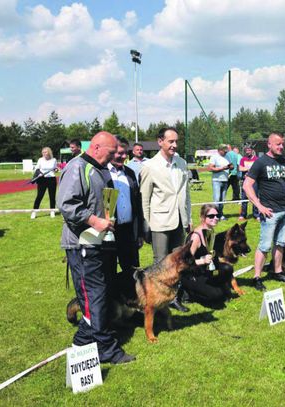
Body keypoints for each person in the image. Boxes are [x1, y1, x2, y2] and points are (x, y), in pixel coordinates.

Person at [57, 131, 135, 364]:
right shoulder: (77, 167)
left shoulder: (100, 170)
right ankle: (103, 347)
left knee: (100, 293)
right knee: (94, 296)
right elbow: (67, 205)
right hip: (82, 245)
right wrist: (94, 221)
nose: (113, 158)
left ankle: (86, 341)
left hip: (99, 244)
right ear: (97, 147)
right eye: (111, 153)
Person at [140, 127, 192, 312]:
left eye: (176, 141)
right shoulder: (149, 167)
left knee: (179, 262)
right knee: (161, 263)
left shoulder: (182, 163)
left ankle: (175, 298)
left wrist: (189, 218)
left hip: (180, 221)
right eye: (171, 141)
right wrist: (146, 224)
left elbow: (186, 194)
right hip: (159, 222)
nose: (174, 145)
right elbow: (144, 199)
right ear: (160, 141)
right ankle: (158, 302)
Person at [243, 132, 285, 291]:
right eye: (278, 144)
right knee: (265, 246)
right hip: (269, 213)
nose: (281, 147)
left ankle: (277, 271)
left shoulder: (284, 162)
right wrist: (259, 206)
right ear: (269, 144)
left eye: (282, 144)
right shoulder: (260, 163)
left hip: (284, 211)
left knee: (280, 243)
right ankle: (257, 277)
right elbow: (247, 185)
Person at [108, 137, 144, 281]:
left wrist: (139, 232)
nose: (124, 157)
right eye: (120, 153)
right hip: (109, 231)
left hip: (129, 232)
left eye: (126, 153)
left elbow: (137, 204)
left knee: (132, 271)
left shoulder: (129, 173)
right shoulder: (100, 172)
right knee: (109, 270)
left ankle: (132, 300)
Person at [181, 204, 228, 304]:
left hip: (205, 271)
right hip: (192, 274)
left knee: (227, 270)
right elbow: (185, 262)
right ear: (203, 217)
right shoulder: (196, 237)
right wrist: (202, 260)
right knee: (216, 296)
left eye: (217, 215)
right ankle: (188, 292)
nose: (215, 218)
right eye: (211, 216)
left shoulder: (210, 231)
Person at [31, 147, 58, 219]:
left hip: (51, 179)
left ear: (49, 152)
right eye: (43, 152)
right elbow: (36, 168)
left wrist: (56, 169)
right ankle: (34, 212)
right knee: (39, 196)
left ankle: (52, 211)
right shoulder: (40, 160)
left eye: (45, 152)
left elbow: (55, 168)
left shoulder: (54, 160)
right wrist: (39, 173)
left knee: (52, 196)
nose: (44, 153)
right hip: (42, 179)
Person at [207, 144, 232, 220]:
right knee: (217, 199)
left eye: (226, 151)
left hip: (225, 180)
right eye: (224, 151)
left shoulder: (227, 156)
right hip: (217, 181)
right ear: (219, 150)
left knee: (223, 200)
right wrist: (222, 168)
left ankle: (221, 215)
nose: (225, 153)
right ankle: (215, 216)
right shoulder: (214, 157)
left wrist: (231, 166)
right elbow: (210, 168)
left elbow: (231, 165)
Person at [238, 145, 259, 221]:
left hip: (254, 182)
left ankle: (256, 214)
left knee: (255, 197)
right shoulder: (243, 159)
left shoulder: (257, 159)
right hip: (245, 181)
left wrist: (247, 170)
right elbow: (240, 168)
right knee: (244, 198)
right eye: (246, 150)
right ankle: (243, 214)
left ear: (252, 150)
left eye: (249, 150)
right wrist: (250, 168)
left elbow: (258, 169)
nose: (247, 151)